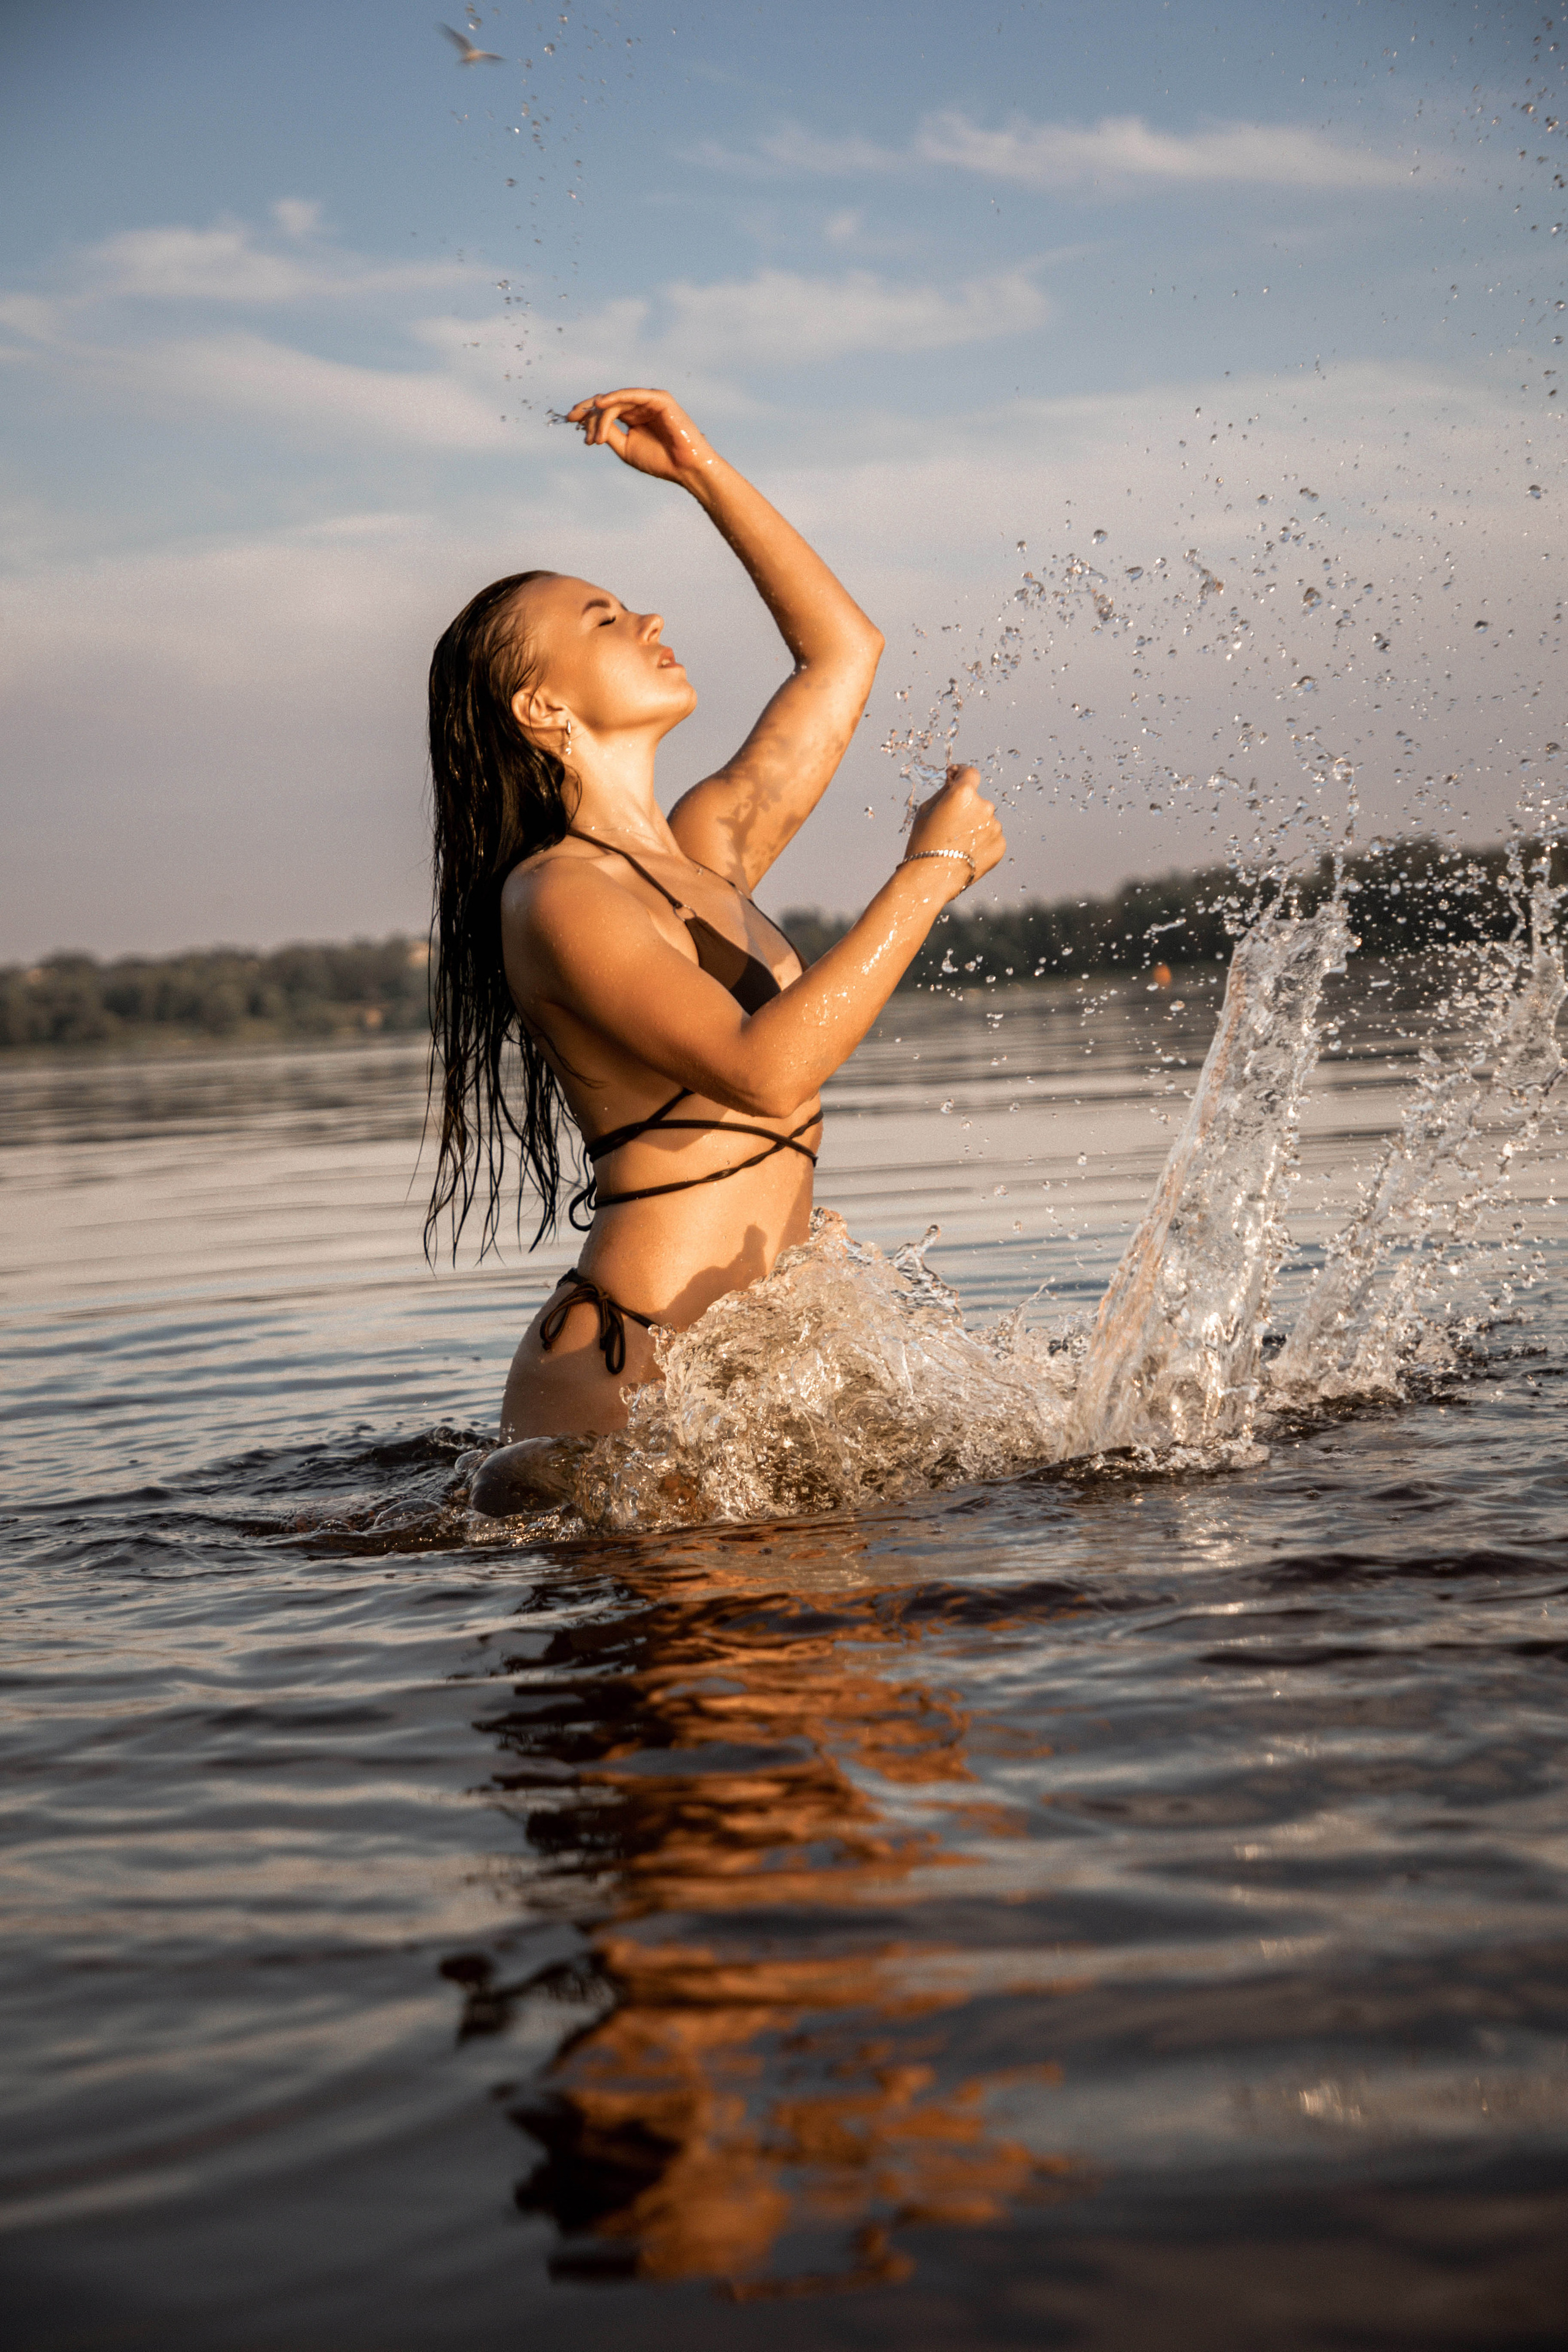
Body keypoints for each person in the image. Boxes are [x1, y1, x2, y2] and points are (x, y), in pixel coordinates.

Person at [425, 387, 1005, 1514]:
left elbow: (843, 652)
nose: (646, 620)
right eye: (603, 619)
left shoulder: (703, 852)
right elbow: (763, 1067)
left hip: (734, 1380)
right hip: (628, 1380)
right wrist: (931, 874)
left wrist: (702, 471)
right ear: (541, 708)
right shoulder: (555, 898)